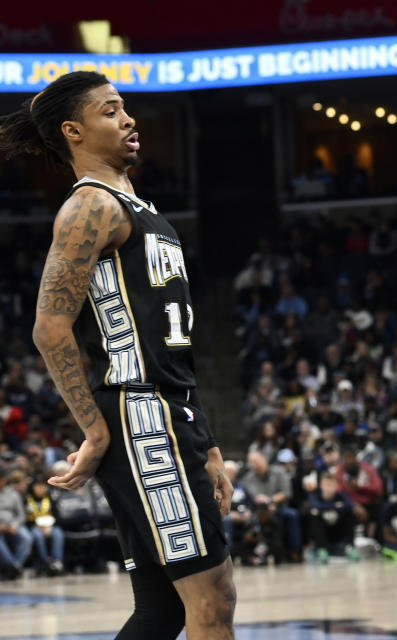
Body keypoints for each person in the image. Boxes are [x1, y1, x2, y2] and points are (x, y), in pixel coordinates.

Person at [1, 71, 236, 638]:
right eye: (110, 111)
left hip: (168, 412)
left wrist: (204, 443)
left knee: (164, 610)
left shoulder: (137, 206)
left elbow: (168, 345)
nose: (128, 119)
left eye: (125, 108)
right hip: (140, 416)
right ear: (74, 131)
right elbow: (49, 328)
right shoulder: (90, 209)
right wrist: (96, 430)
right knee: (212, 601)